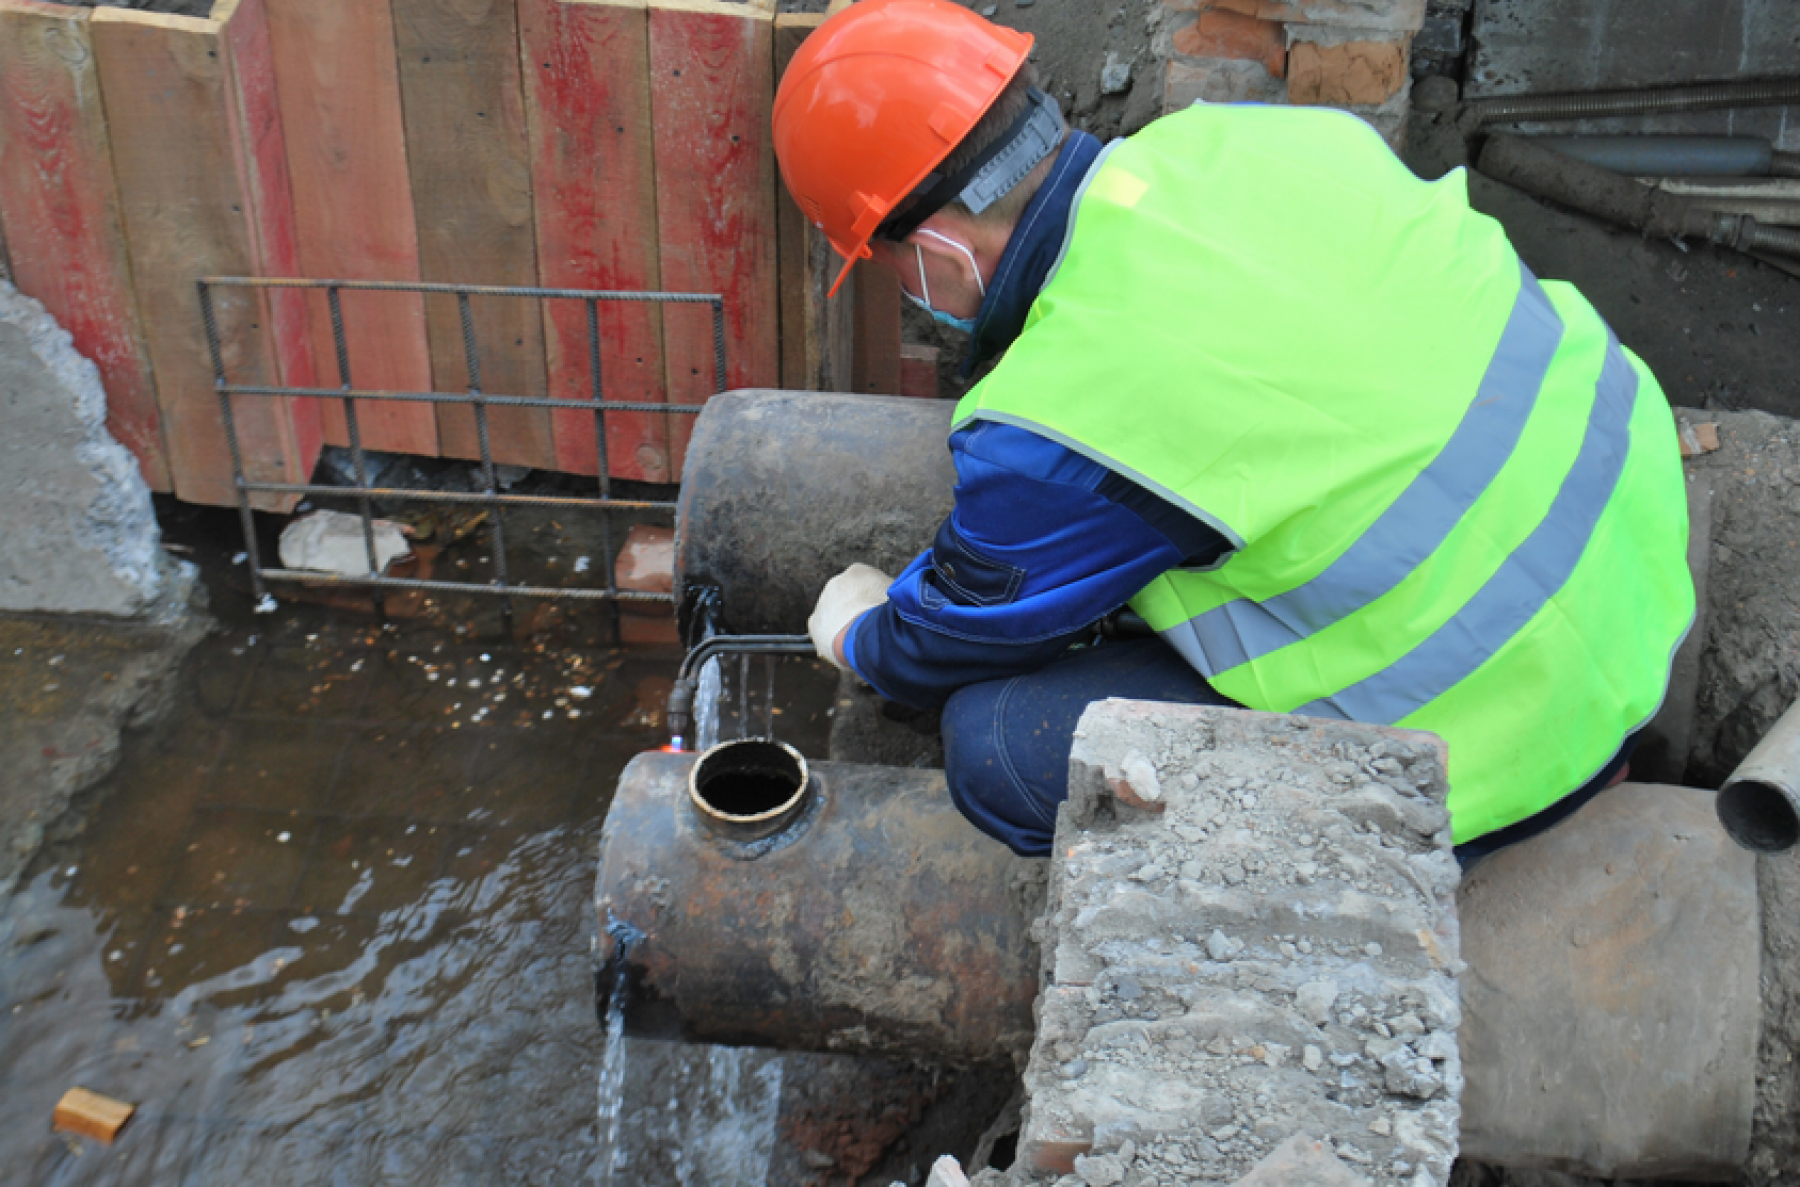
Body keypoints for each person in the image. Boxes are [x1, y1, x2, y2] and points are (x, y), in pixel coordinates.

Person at [770, 0, 1694, 866]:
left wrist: (861, 635)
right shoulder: (1248, 141)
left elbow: (954, 640)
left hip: (1496, 742)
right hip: (1635, 571)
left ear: (934, 253)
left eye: (885, 268)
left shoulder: (1058, 417)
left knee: (998, 746)